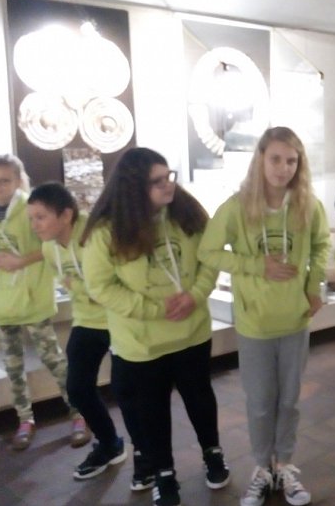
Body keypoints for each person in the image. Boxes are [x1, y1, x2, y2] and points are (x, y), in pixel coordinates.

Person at [81, 148, 229, 506]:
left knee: (200, 398)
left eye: (169, 176)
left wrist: (195, 295)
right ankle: (164, 474)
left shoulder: (187, 213)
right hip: (142, 343)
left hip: (191, 333)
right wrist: (153, 309)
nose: (168, 186)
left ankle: (212, 454)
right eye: (157, 181)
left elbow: (210, 258)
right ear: (134, 188)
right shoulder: (107, 232)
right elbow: (101, 286)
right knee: (152, 411)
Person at [199, 126, 329, 506]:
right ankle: (261, 468)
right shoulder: (237, 207)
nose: (283, 168)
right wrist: (256, 266)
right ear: (260, 159)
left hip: (295, 320)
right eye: (275, 159)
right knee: (259, 402)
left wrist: (314, 286)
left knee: (289, 401)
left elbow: (321, 245)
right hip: (255, 324)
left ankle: (284, 465)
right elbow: (208, 252)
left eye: (291, 161)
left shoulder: (308, 205)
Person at [27, 182, 153, 488]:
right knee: (77, 388)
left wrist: (83, 288)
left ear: (66, 215)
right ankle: (110, 444)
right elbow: (78, 287)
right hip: (86, 321)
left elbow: (112, 283)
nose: (35, 225)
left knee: (127, 391)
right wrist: (86, 290)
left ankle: (146, 457)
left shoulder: (97, 235)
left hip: (118, 320)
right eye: (31, 218)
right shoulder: (48, 248)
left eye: (41, 217)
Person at [0, 154, 87, 451]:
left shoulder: (31, 209)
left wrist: (20, 261)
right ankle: (25, 419)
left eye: (4, 180)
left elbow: (49, 244)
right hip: (2, 296)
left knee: (53, 358)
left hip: (32, 292)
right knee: (12, 363)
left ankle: (78, 413)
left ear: (18, 181)